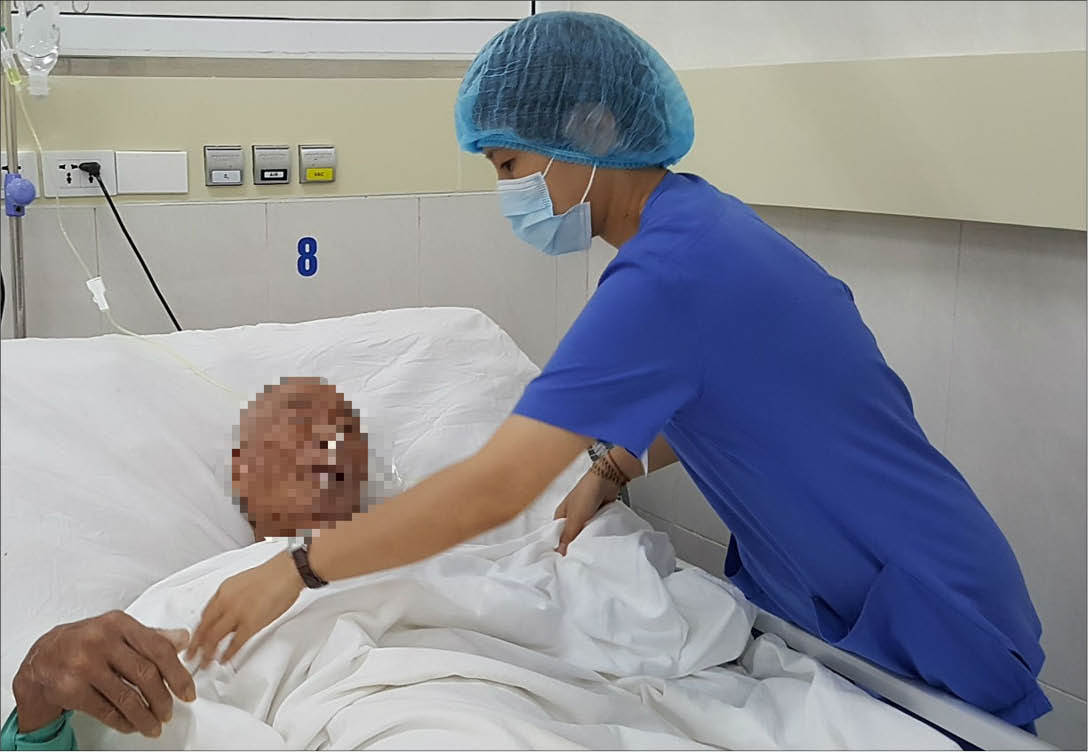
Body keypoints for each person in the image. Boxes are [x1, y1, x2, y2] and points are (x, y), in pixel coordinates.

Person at [188, 11, 1051, 731]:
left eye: (508, 165)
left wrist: (298, 570)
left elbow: (495, 487)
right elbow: (734, 394)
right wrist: (612, 467)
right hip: (849, 606)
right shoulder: (697, 227)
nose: (506, 193)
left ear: (594, 131)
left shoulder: (670, 273)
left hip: (930, 609)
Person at [2, 377, 370, 749]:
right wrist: (38, 714)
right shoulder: (181, 602)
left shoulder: (401, 569)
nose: (331, 442)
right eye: (301, 422)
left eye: (347, 432)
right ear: (241, 471)